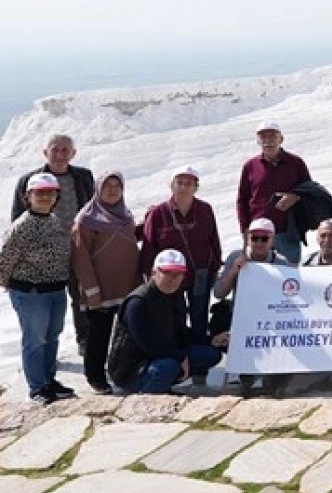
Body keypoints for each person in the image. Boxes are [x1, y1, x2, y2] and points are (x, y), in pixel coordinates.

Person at [11, 134, 95, 355]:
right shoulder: (28, 180)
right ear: (45, 152)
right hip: (43, 256)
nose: (60, 155)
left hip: (78, 247)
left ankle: (85, 342)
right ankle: (45, 353)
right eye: (55, 149)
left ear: (73, 154)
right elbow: (17, 221)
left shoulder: (84, 177)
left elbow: (94, 209)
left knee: (81, 296)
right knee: (46, 304)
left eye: (65, 150)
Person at [1, 173, 75, 404]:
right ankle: (37, 387)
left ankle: (48, 380)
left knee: (52, 337)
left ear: (56, 196)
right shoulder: (22, 226)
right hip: (31, 292)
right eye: (39, 192)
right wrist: (15, 289)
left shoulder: (52, 220)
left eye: (49, 192)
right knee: (35, 339)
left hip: (55, 291)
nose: (44, 197)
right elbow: (4, 260)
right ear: (28, 196)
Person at [138, 165, 222, 367]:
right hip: (169, 276)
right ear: (172, 185)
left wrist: (214, 265)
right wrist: (149, 275)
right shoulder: (158, 212)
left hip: (200, 273)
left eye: (189, 183)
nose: (184, 187)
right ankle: (178, 362)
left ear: (196, 187)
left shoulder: (205, 209)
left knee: (199, 317)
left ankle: (200, 366)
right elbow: (149, 245)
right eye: (180, 182)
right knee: (173, 320)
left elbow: (213, 240)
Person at [111, 250, 221, 394]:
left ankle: (164, 385)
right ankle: (149, 396)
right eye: (167, 272)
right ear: (154, 272)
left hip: (164, 355)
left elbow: (181, 331)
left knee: (210, 354)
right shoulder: (138, 302)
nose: (173, 278)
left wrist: (212, 340)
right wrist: (180, 357)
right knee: (168, 366)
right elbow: (148, 345)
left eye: (178, 274)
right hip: (132, 368)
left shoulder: (176, 295)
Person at [71, 171, 142, 394]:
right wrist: (91, 290)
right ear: (97, 190)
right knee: (98, 335)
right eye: (107, 186)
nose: (112, 190)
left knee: (125, 335)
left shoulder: (125, 215)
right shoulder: (86, 219)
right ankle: (95, 377)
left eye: (116, 186)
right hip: (100, 290)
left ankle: (123, 373)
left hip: (127, 286)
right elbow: (80, 256)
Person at [213, 218, 292, 397]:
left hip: (270, 320)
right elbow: (219, 293)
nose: (258, 243)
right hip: (240, 318)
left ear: (272, 240)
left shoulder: (281, 263)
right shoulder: (235, 257)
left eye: (264, 239)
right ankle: (244, 380)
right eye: (254, 238)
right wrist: (234, 271)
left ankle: (271, 380)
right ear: (248, 238)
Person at [236, 120, 311, 264]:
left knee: (289, 278)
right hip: (258, 235)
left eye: (272, 136)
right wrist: (245, 229)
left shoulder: (296, 163)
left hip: (287, 232)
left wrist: (295, 196)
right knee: (258, 276)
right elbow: (242, 200)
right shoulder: (250, 166)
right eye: (263, 137)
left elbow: (310, 191)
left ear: (281, 139)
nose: (268, 141)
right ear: (258, 141)